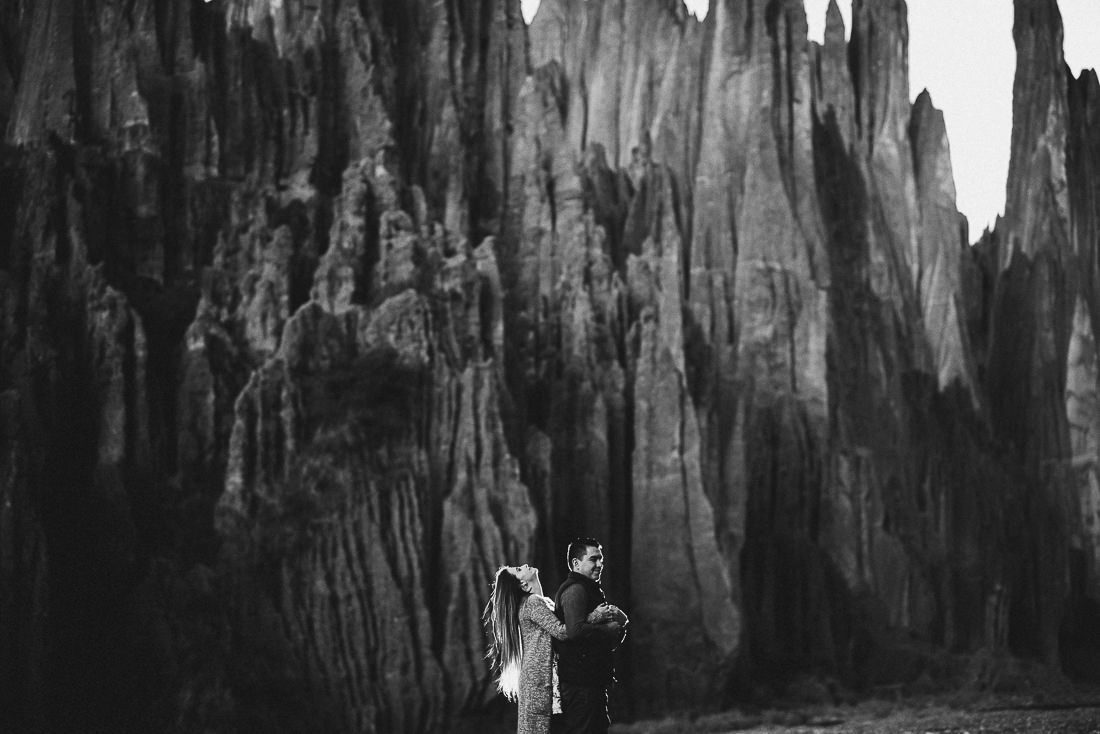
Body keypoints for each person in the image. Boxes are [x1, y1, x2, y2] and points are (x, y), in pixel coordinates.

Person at [485, 563, 616, 734]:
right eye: (518, 570)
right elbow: (562, 631)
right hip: (538, 677)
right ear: (523, 585)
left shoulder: (542, 601)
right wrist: (596, 616)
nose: (524, 565)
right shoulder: (532, 603)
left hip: (539, 675)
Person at [553, 537, 629, 734]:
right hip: (580, 687)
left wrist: (620, 626)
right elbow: (575, 631)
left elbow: (596, 639)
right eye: (593, 559)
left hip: (590, 684)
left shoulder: (587, 588)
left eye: (601, 559)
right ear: (576, 563)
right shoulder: (575, 590)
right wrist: (609, 629)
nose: (600, 564)